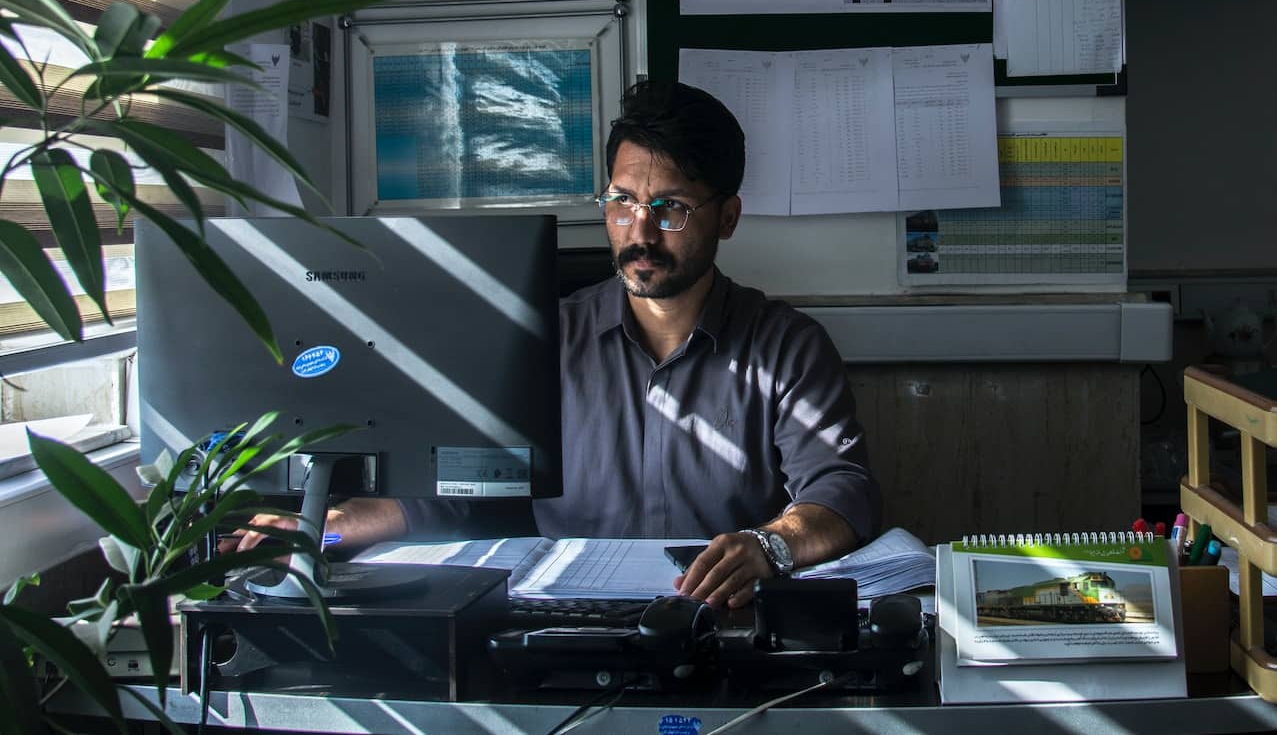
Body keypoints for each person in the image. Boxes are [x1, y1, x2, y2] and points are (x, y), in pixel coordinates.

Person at [235, 80, 881, 609]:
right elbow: (456, 488)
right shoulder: (544, 341)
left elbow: (841, 490)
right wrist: (324, 521)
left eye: (672, 208)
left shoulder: (787, 348)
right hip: (567, 621)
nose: (640, 232)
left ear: (729, 217)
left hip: (723, 621)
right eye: (622, 201)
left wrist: (766, 546)